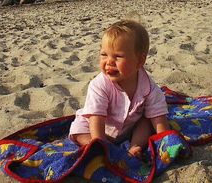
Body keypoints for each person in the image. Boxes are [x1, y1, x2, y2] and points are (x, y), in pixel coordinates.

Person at [69, 20, 170, 158]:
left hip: (128, 128)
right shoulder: (99, 85)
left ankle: (135, 146)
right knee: (78, 131)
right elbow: (96, 118)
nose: (109, 61)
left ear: (139, 61)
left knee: (147, 121)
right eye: (104, 54)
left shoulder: (149, 88)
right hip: (96, 128)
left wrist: (165, 140)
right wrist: (101, 144)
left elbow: (159, 119)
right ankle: (96, 147)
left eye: (118, 56)